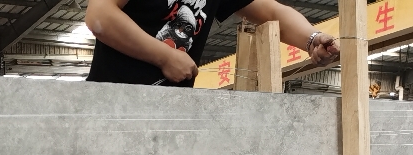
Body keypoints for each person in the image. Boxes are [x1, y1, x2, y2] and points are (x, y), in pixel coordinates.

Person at [86, 0, 339, 87]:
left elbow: (270, 11)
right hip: (108, 105)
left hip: (168, 114)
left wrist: (311, 39)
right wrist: (164, 57)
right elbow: (100, 16)